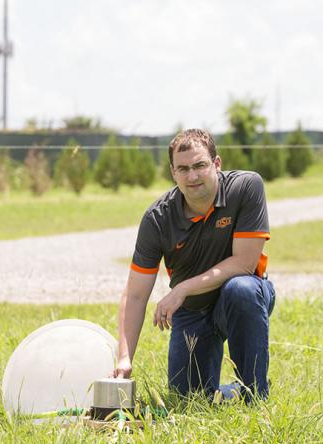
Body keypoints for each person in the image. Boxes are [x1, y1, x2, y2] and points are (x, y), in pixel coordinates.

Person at [112, 128, 275, 400]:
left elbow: (245, 264)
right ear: (173, 173)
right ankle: (231, 393)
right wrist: (124, 358)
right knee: (189, 398)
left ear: (217, 163)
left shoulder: (246, 187)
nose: (193, 176)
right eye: (183, 169)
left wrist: (182, 288)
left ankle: (255, 394)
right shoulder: (157, 219)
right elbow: (136, 293)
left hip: (242, 295)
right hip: (192, 312)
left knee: (241, 290)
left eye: (200, 165)